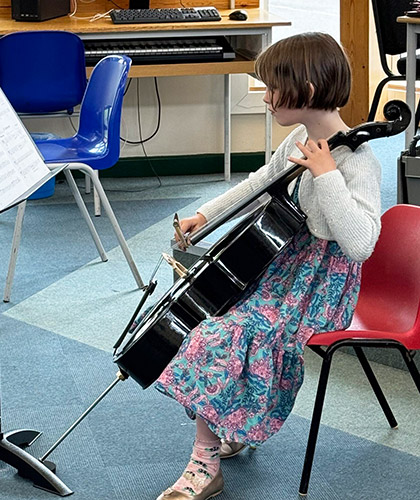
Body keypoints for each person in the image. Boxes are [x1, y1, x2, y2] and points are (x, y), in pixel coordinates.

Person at [153, 32, 382, 500]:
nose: (266, 96)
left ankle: (204, 465)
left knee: (222, 336)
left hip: (321, 285)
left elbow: (360, 244)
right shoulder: (299, 138)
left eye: (273, 86)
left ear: (309, 89)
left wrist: (327, 175)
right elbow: (260, 184)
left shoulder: (356, 159)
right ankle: (227, 422)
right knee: (212, 317)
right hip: (283, 269)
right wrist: (206, 215)